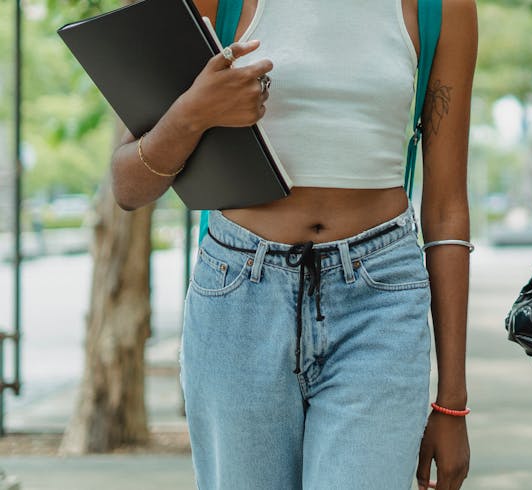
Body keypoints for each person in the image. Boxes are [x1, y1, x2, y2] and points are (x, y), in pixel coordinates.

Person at [109, 1, 476, 488]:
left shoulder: (440, 8)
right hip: (240, 295)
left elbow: (447, 207)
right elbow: (128, 186)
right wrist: (193, 113)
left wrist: (451, 399)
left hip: (379, 303)